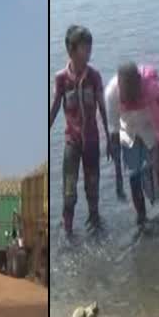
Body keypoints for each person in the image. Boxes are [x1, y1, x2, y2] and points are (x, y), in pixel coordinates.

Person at [50, 25, 111, 234]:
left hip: (92, 141)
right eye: (84, 49)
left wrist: (109, 140)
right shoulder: (61, 79)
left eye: (90, 49)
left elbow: (102, 107)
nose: (88, 53)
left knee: (92, 187)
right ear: (71, 50)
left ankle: (94, 221)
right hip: (72, 142)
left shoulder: (94, 76)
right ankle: (67, 229)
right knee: (69, 190)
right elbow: (55, 107)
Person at [106, 62, 159, 227]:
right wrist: (118, 177)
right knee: (134, 174)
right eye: (126, 93)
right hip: (129, 129)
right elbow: (114, 132)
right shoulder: (112, 93)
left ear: (139, 82)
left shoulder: (151, 88)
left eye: (133, 92)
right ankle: (142, 219)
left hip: (151, 126)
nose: (130, 97)